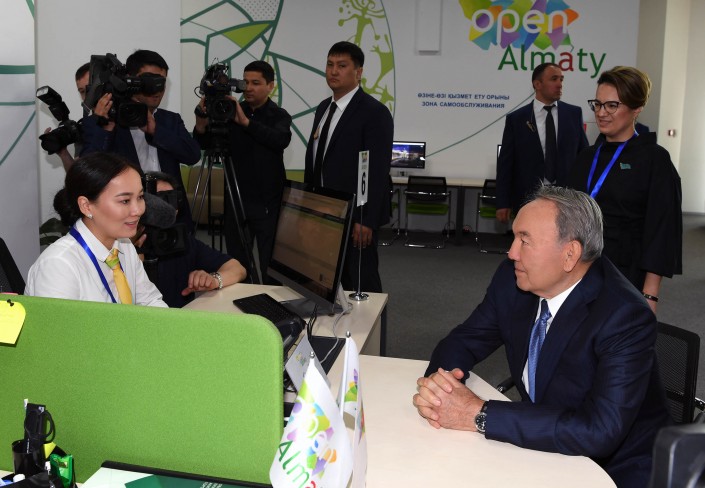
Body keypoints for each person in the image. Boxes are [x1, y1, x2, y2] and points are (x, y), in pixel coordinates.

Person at [413, 185, 671, 488]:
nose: (512, 253)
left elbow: (599, 431)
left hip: (612, 469)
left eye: (525, 240)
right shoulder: (513, 278)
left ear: (569, 254)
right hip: (540, 444)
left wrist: (479, 414)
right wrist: (439, 391)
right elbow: (465, 340)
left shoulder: (623, 315)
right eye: (514, 237)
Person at [568, 66, 681, 314]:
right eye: (598, 104)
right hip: (578, 268)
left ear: (636, 108)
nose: (601, 113)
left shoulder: (655, 160)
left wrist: (650, 294)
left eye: (612, 105)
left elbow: (662, 230)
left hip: (626, 274)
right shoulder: (586, 157)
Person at [304, 41, 393, 293]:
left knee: (361, 282)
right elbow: (317, 160)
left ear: (358, 72)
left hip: (355, 216)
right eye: (330, 64)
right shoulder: (324, 108)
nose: (334, 71)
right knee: (326, 279)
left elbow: (374, 171)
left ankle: (374, 321)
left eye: (342, 66)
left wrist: (364, 219)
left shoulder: (374, 112)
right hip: (324, 211)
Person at [193, 60, 292, 282]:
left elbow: (280, 140)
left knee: (270, 263)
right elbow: (205, 143)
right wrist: (201, 124)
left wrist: (246, 123)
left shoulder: (279, 115)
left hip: (268, 203)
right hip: (236, 199)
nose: (249, 88)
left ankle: (272, 299)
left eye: (256, 83)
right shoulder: (228, 111)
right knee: (237, 261)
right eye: (245, 82)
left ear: (270, 86)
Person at [26, 152, 167, 306]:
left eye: (140, 197)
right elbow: (59, 323)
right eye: (125, 201)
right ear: (86, 206)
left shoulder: (124, 246)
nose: (138, 210)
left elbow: (150, 302)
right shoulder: (58, 265)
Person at [80, 49, 201, 200]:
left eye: (162, 81)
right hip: (128, 209)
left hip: (171, 208)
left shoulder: (170, 120)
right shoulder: (104, 120)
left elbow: (193, 156)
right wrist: (106, 128)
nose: (157, 88)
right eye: (150, 80)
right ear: (131, 81)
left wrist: (156, 130)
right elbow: (88, 173)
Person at [496, 63, 588, 223]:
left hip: (566, 198)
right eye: (554, 79)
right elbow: (506, 163)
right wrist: (502, 202)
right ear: (537, 84)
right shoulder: (517, 119)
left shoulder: (573, 114)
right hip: (528, 197)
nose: (560, 84)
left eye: (561, 79)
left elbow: (584, 156)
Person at [143, 171, 247, 307]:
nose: (165, 208)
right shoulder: (126, 245)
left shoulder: (181, 240)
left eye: (170, 199)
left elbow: (238, 269)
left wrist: (214, 280)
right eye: (157, 201)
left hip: (181, 317)